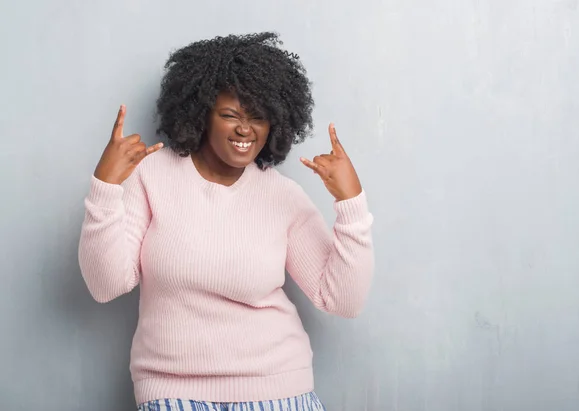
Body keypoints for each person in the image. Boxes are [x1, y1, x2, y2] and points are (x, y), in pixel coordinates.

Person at [78, 32, 374, 411]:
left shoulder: (281, 196)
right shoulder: (152, 176)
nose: (244, 130)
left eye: (257, 117)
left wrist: (351, 205)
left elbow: (343, 301)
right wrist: (105, 186)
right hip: (173, 394)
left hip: (280, 391)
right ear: (201, 114)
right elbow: (106, 285)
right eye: (230, 115)